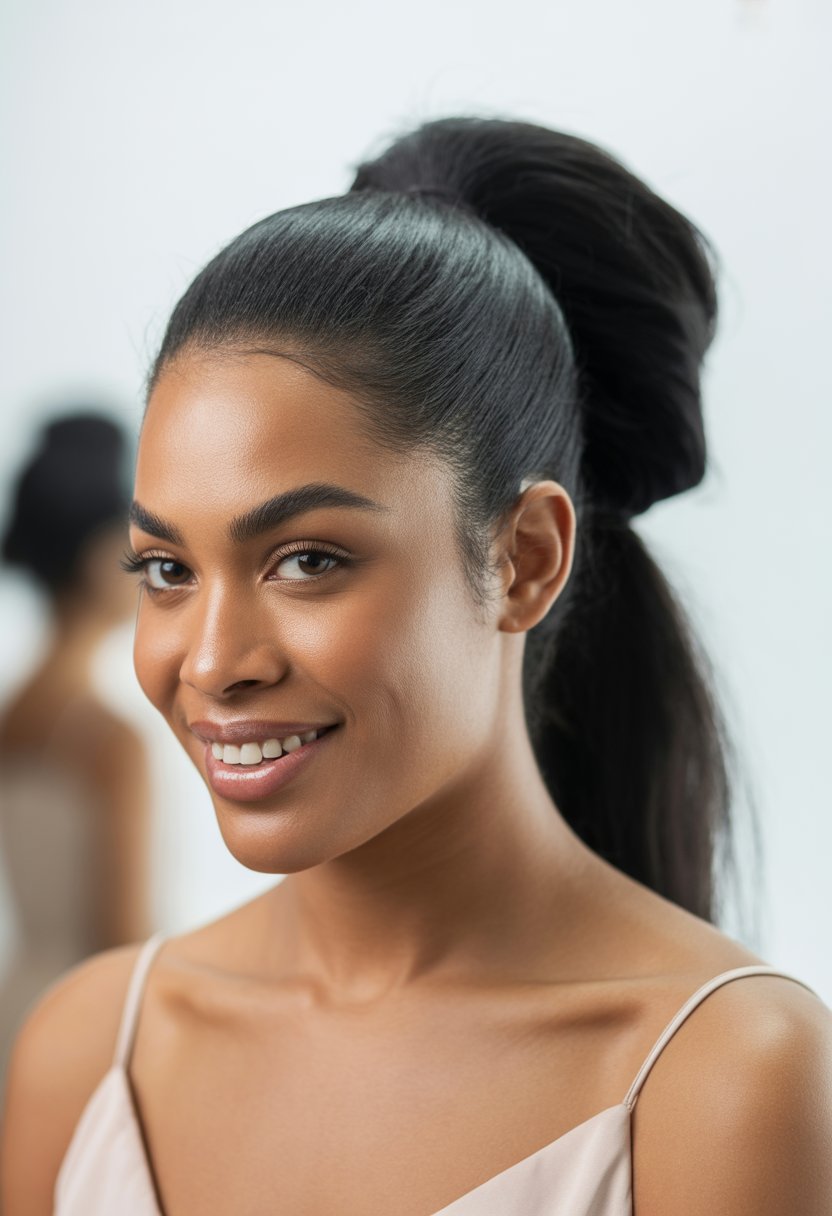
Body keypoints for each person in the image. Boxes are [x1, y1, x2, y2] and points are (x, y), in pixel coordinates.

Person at [2, 117, 830, 1215]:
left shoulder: (729, 1080)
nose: (209, 662)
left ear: (524, 558)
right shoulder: (87, 1051)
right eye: (166, 568)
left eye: (306, 559)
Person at [0, 414, 152, 1101]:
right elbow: (125, 941)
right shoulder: (110, 743)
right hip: (87, 1038)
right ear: (100, 558)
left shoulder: (12, 718)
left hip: (16, 1012)